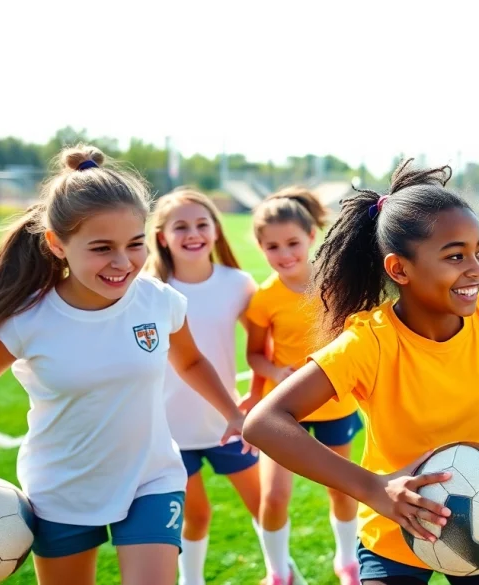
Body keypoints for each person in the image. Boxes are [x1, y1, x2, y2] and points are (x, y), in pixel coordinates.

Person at [0, 146, 247, 585]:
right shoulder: (28, 319)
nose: (123, 262)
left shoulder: (158, 301)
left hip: (153, 478)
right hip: (60, 490)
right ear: (56, 244)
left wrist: (235, 412)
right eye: (102, 248)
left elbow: (191, 360)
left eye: (135, 245)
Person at [242, 159, 479, 585]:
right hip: (394, 532)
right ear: (400, 269)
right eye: (455, 256)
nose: (476, 268)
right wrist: (375, 489)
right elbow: (263, 422)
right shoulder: (370, 342)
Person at [144, 188, 269, 585]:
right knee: (196, 515)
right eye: (180, 226)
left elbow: (264, 343)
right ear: (162, 236)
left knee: (264, 505)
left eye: (202, 224)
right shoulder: (146, 290)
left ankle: (285, 574)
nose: (193, 233)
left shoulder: (238, 283)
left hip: (228, 424)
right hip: (167, 432)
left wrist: (261, 392)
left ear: (216, 231)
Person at [242, 187, 363, 585]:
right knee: (273, 497)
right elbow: (256, 355)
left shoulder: (336, 284)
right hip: (283, 412)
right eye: (272, 246)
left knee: (342, 491)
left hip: (335, 406)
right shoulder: (263, 298)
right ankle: (279, 573)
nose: (284, 254)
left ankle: (348, 561)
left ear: (311, 237)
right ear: (261, 247)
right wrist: (275, 375)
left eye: (293, 242)